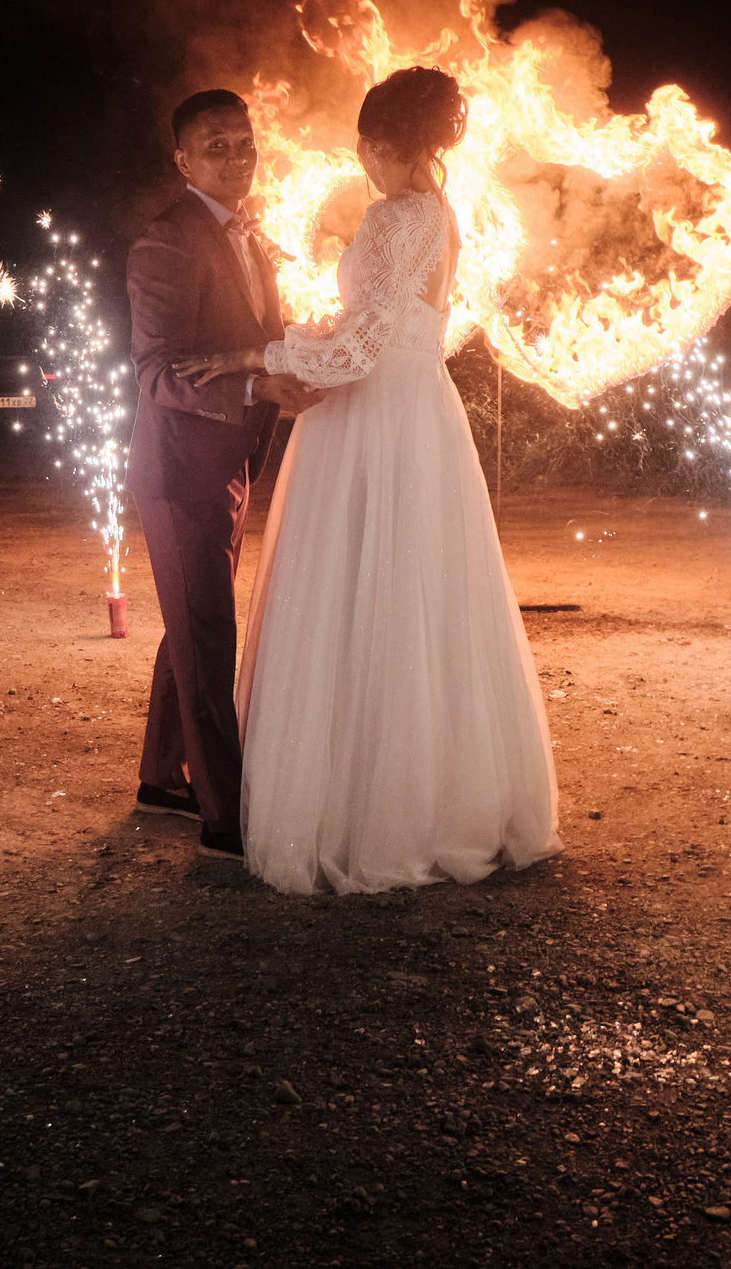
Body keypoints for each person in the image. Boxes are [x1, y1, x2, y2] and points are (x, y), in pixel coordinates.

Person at [175, 67, 561, 894]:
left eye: (366, 151)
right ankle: (442, 796)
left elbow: (360, 350)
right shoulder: (441, 214)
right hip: (421, 412)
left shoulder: (395, 216)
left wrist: (256, 353)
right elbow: (394, 327)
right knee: (421, 597)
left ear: (385, 144)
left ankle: (367, 812)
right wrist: (322, 334)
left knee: (361, 591)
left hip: (374, 417)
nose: (364, 165)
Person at [124, 90, 320, 862]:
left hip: (227, 463)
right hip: (180, 468)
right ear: (183, 160)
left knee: (194, 618)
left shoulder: (248, 231)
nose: (237, 157)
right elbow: (156, 371)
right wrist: (253, 388)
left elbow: (258, 334)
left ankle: (161, 777)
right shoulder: (164, 241)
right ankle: (226, 818)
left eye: (245, 143)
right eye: (217, 146)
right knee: (207, 630)